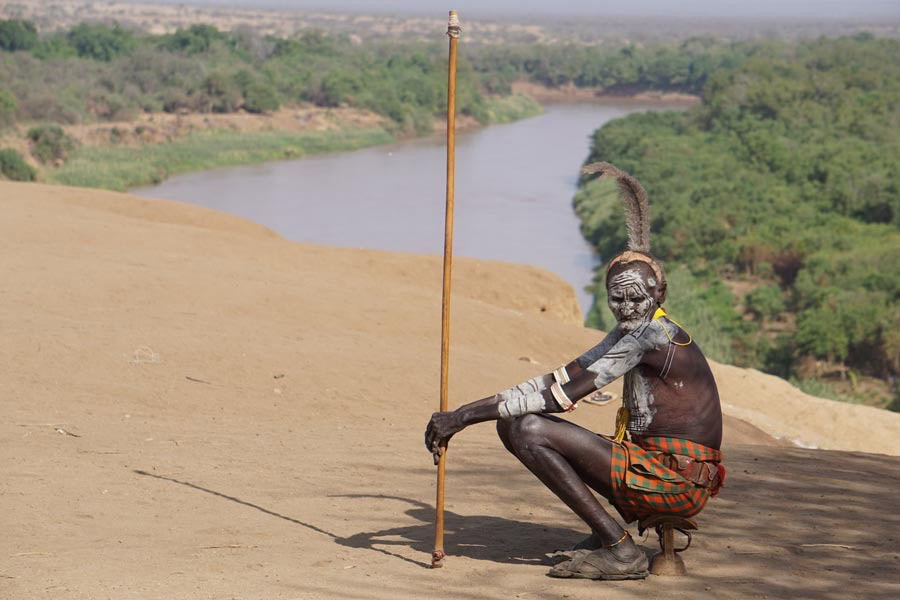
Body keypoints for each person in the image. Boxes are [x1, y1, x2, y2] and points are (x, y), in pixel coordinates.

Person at [424, 163, 724, 580]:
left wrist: (462, 417)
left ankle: (620, 550)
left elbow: (560, 398)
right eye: (616, 299)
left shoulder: (650, 337)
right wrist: (467, 411)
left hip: (676, 482)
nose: (625, 308)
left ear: (659, 294)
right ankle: (610, 536)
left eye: (635, 298)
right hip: (653, 467)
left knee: (529, 428)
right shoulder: (633, 331)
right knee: (512, 423)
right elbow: (557, 378)